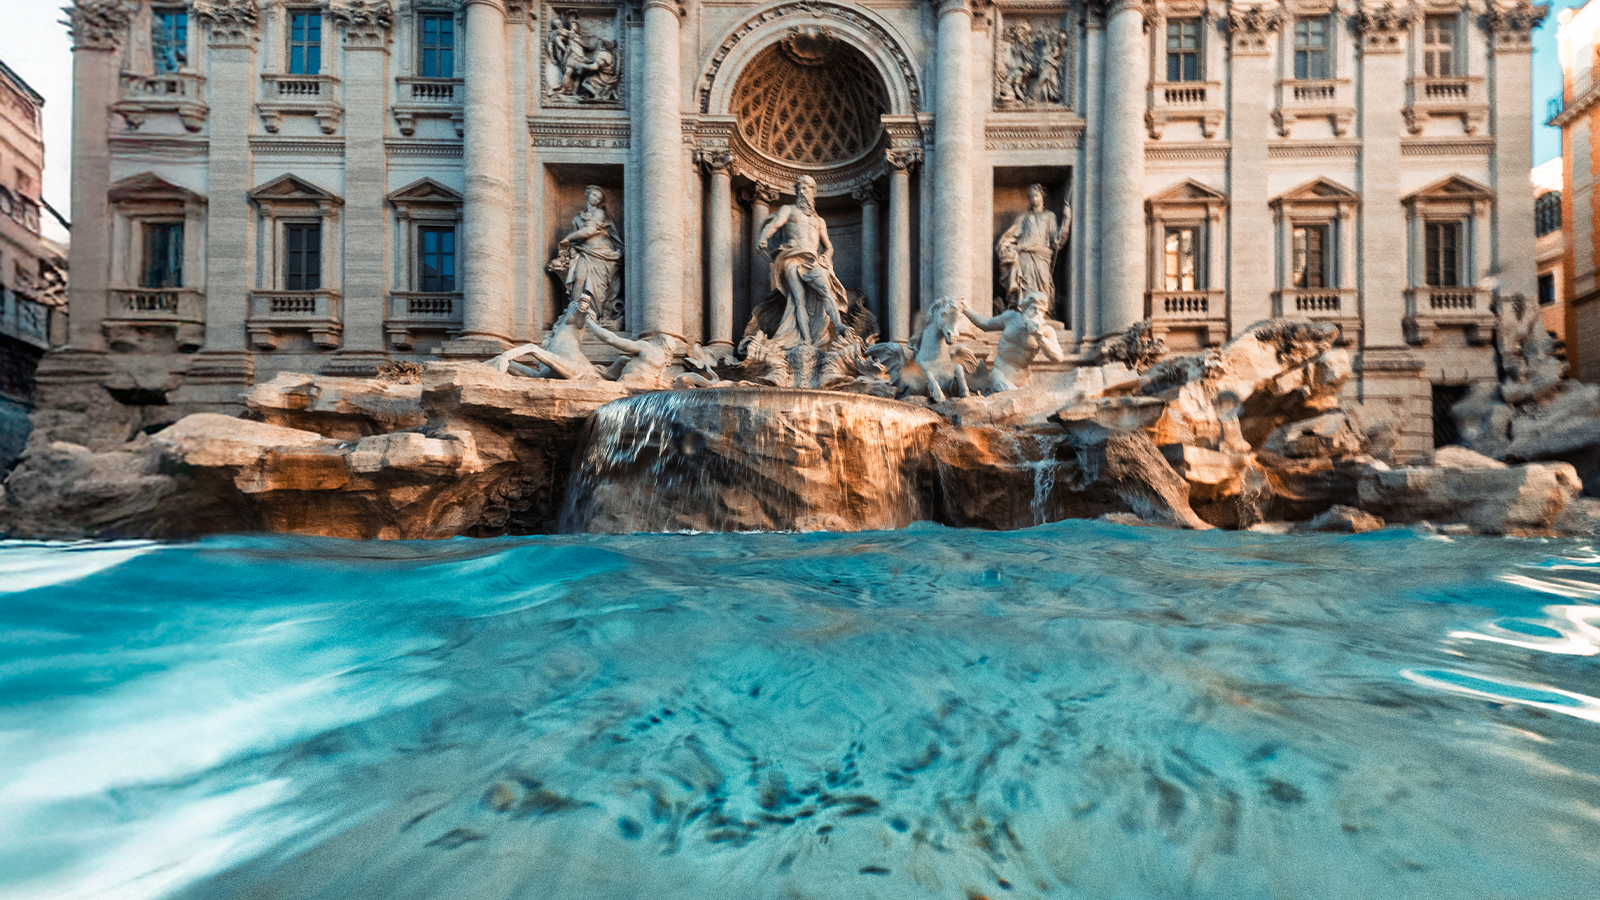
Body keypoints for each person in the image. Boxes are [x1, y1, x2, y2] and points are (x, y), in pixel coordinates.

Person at [756, 175, 849, 347]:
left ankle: (838, 325)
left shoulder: (819, 221)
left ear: (814, 192)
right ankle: (806, 339)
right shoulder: (788, 210)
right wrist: (763, 237)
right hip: (792, 257)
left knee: (826, 291)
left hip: (813, 261)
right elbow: (774, 225)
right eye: (799, 188)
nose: (802, 191)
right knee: (798, 300)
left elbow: (828, 246)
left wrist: (825, 258)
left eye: (806, 187)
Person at [962, 291, 1066, 392]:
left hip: (1024, 379)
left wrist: (1040, 338)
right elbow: (985, 323)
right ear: (1024, 308)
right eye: (1033, 308)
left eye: (1041, 310)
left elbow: (1058, 357)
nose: (1037, 313)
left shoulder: (1046, 330)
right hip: (1001, 373)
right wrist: (965, 309)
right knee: (1009, 395)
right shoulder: (1010, 318)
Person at [555, 185, 623, 325]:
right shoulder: (579, 216)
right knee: (579, 277)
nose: (596, 199)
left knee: (598, 286)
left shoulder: (599, 213)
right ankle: (575, 313)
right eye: (594, 195)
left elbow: (590, 230)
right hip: (584, 252)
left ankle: (594, 316)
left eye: (599, 198)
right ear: (588, 194)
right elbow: (580, 236)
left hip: (602, 253)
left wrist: (568, 238)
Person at [996, 183, 1070, 310]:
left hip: (1042, 256)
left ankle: (1043, 315)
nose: (1034, 199)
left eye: (1036, 196)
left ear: (1042, 196)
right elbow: (1012, 235)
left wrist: (1067, 219)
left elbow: (1056, 240)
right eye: (1031, 197)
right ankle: (1025, 313)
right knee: (1027, 285)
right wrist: (1006, 247)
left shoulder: (1049, 216)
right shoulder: (1024, 218)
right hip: (1025, 255)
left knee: (1044, 285)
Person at [586, 318, 678, 390]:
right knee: (622, 360)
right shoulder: (661, 365)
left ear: (659, 342)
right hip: (636, 385)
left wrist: (590, 323)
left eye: (654, 339)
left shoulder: (648, 347)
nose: (651, 340)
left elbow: (612, 339)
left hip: (627, 384)